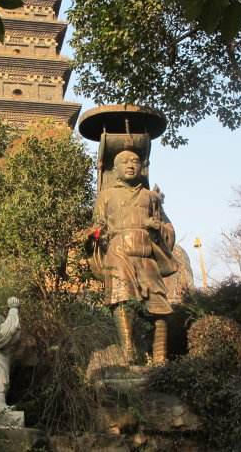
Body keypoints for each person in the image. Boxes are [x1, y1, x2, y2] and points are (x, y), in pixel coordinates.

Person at [90, 150, 178, 364]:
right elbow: (97, 225)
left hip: (146, 254)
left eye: (135, 161)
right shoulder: (106, 195)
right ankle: (128, 352)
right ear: (115, 169)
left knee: (160, 306)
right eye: (124, 162)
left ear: (142, 167)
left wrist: (158, 228)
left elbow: (168, 227)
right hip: (118, 252)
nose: (130, 165)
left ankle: (159, 358)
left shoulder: (150, 197)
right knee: (121, 301)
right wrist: (94, 236)